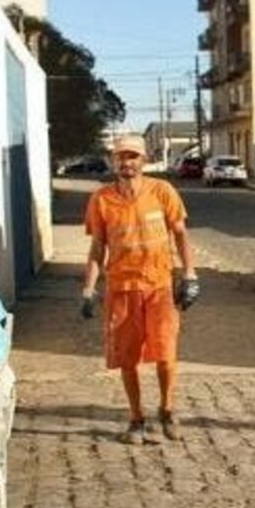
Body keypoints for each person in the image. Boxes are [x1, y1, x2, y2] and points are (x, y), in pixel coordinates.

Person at [81, 135, 200, 444]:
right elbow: (97, 248)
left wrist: (189, 275)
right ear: (113, 162)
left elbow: (181, 235)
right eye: (121, 157)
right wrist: (89, 288)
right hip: (121, 289)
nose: (127, 163)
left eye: (133, 157)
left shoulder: (162, 191)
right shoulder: (102, 199)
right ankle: (136, 419)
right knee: (127, 358)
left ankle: (168, 409)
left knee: (166, 353)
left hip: (159, 286)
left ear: (144, 161)